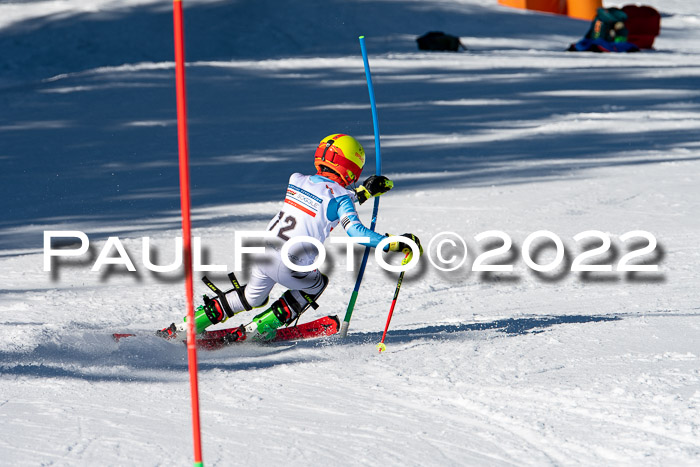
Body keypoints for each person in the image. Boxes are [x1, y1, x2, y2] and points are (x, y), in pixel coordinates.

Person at [159, 133, 421, 341]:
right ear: (350, 168)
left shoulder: (296, 179)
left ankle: (191, 324)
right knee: (315, 284)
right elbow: (356, 232)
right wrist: (394, 242)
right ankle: (264, 325)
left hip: (263, 252)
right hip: (291, 264)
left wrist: (363, 193)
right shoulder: (341, 199)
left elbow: (324, 198)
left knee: (252, 296)